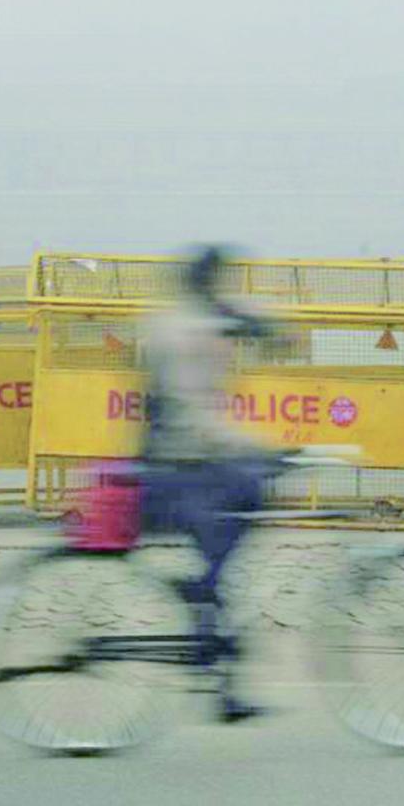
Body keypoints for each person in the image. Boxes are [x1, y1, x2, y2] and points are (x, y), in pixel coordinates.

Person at [137, 244, 280, 719]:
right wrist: (257, 449)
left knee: (218, 556)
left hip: (179, 464)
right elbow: (192, 414)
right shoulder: (187, 331)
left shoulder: (186, 319)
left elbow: (239, 316)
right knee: (248, 496)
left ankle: (221, 684)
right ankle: (205, 609)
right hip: (176, 470)